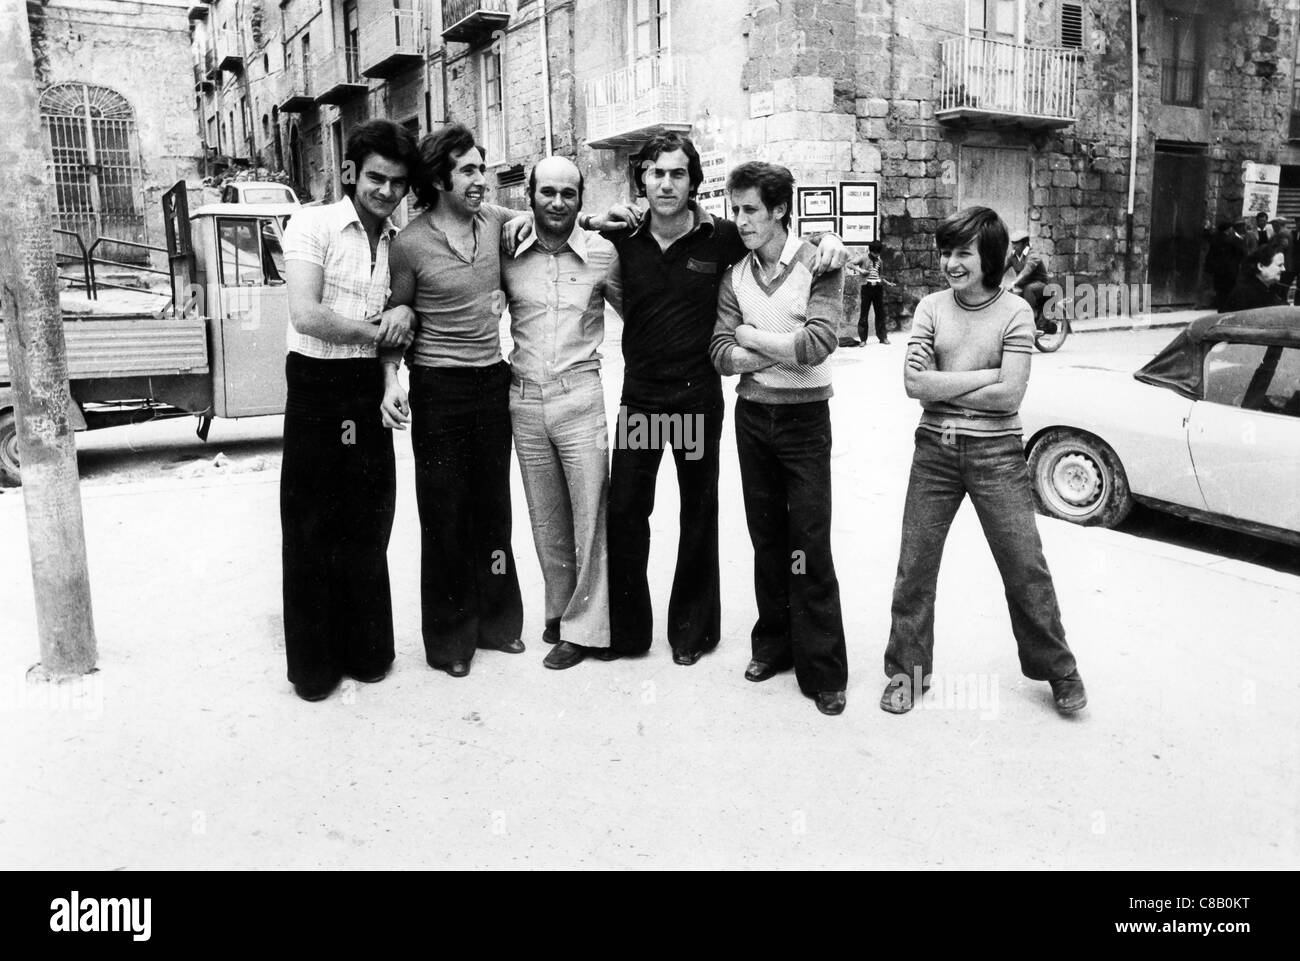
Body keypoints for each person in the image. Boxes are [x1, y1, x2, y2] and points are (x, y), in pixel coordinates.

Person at [580, 132, 847, 664]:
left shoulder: (721, 235)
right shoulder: (625, 235)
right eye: (656, 173)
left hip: (697, 401)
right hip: (641, 401)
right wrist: (599, 216)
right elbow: (584, 227)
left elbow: (781, 234)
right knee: (628, 512)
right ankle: (628, 635)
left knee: (698, 516)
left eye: (678, 173)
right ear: (643, 179)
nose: (666, 183)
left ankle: (693, 635)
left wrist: (829, 236)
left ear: (694, 183)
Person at [881, 206, 1086, 717]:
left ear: (989, 257)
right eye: (946, 251)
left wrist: (949, 385)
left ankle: (1059, 670)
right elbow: (914, 386)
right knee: (915, 565)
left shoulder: (1015, 311)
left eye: (963, 253)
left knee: (1024, 565)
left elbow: (1010, 396)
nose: (951, 262)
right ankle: (907, 672)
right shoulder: (930, 307)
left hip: (998, 455)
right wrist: (985, 375)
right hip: (934, 451)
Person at [279, 119, 418, 702]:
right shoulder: (312, 224)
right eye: (376, 180)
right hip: (315, 387)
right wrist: (381, 328)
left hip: (363, 385)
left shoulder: (393, 240)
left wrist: (391, 368)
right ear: (348, 174)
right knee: (312, 527)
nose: (387, 192)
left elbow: (396, 326)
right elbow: (307, 315)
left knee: (368, 522)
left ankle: (366, 652)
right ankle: (314, 667)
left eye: (397, 184)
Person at [382, 123, 524, 678]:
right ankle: (449, 640)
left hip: (492, 384)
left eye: (481, 168)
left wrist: (612, 217)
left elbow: (553, 221)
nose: (480, 179)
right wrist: (390, 379)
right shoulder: (409, 244)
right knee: (445, 515)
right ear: (439, 177)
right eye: (468, 170)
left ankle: (498, 624)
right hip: (439, 391)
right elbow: (397, 320)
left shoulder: (496, 223)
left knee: (494, 508)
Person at [709, 162, 849, 716]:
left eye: (750, 210)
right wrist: (769, 343)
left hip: (806, 420)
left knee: (808, 542)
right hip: (753, 419)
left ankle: (825, 670)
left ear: (780, 210)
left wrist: (749, 336)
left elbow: (819, 343)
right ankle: (773, 646)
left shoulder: (820, 261)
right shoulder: (734, 275)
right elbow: (721, 354)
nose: (739, 221)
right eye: (734, 209)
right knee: (766, 538)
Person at [501, 156, 624, 670]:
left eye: (568, 194)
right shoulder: (507, 250)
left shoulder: (603, 255)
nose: (557, 203)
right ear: (529, 195)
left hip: (580, 397)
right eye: (546, 192)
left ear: (581, 199)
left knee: (591, 516)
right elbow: (474, 213)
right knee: (545, 515)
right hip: (524, 399)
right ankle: (559, 609)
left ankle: (586, 628)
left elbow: (640, 316)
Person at [848, 240, 892, 345]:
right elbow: (849, 264)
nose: (877, 254)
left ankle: (882, 337)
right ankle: (863, 339)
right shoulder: (863, 257)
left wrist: (887, 282)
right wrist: (860, 270)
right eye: (875, 252)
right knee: (864, 313)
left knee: (880, 313)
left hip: (878, 287)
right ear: (871, 250)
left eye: (878, 252)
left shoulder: (880, 261)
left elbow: (880, 275)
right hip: (866, 288)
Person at [1222, 245, 1285, 313]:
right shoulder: (1245, 293)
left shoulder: (1268, 289)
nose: (1284, 269)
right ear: (1261, 266)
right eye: (1279, 265)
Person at [1004, 228, 1048, 323]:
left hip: (1040, 285)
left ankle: (1031, 318)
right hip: (1022, 284)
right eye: (1012, 243)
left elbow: (1026, 271)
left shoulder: (1033, 255)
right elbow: (1002, 269)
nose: (1013, 246)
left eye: (1016, 243)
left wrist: (1013, 282)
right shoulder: (1013, 255)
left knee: (1029, 289)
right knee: (1008, 293)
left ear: (1025, 244)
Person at [1204, 221, 1246, 311]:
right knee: (1229, 290)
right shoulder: (1234, 240)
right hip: (1230, 270)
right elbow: (1242, 253)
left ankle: (1221, 307)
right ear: (1229, 229)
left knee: (1220, 291)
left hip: (1218, 270)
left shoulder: (1215, 239)